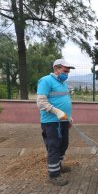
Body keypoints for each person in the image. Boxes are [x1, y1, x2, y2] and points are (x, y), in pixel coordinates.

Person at [36, 58, 75, 186]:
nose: (67, 73)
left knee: (63, 145)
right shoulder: (46, 81)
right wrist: (57, 112)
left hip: (63, 121)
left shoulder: (63, 83)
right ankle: (54, 175)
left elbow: (64, 101)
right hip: (51, 122)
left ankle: (58, 166)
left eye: (68, 72)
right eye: (65, 70)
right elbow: (41, 103)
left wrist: (68, 117)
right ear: (56, 69)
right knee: (54, 147)